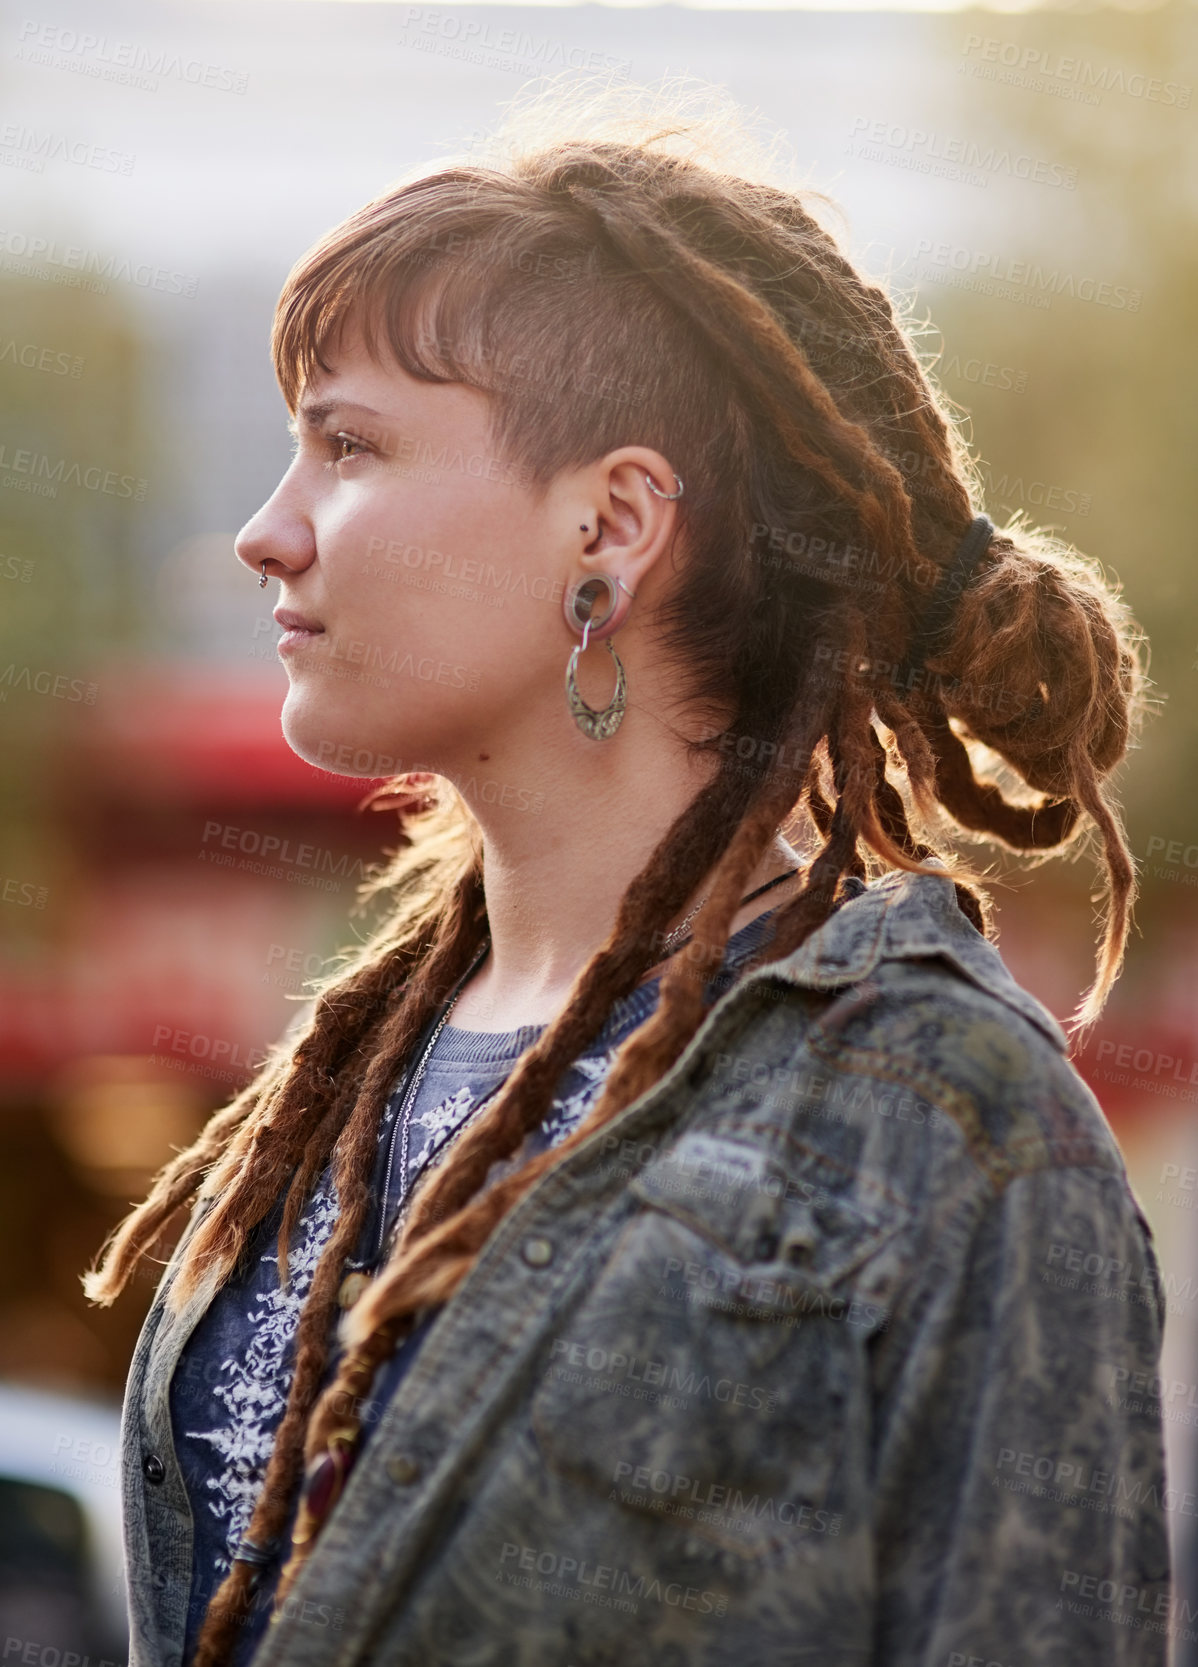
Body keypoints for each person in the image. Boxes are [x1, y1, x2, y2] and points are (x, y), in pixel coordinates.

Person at [88, 79, 1169, 1667]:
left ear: (609, 524)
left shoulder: (933, 1109)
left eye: (349, 447)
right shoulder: (339, 1083)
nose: (266, 531)